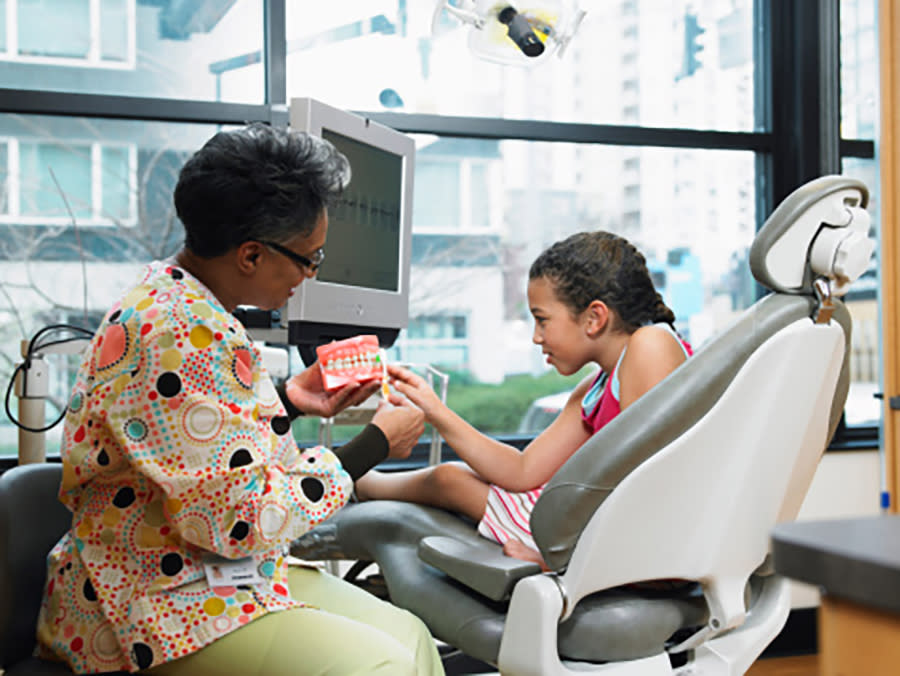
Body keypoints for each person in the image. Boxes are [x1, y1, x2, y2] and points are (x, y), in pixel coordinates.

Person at [36, 123, 445, 675]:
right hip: (147, 603)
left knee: (412, 636)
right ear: (251, 255)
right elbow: (241, 520)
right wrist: (373, 443)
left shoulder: (181, 304)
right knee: (382, 666)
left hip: (207, 577)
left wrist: (290, 400)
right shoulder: (181, 333)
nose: (309, 275)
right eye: (309, 258)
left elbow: (189, 438)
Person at [356, 231, 692, 569]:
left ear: (594, 318)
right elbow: (521, 470)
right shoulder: (595, 389)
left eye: (542, 320)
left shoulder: (651, 346)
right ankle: (363, 484)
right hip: (615, 535)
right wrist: (434, 409)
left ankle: (362, 484)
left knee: (450, 481)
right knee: (449, 477)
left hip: (645, 551)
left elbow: (652, 489)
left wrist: (558, 563)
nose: (535, 337)